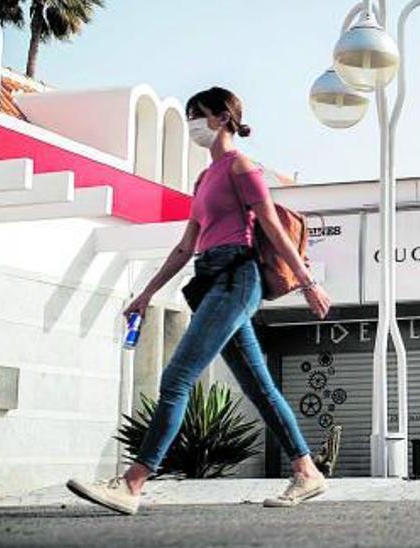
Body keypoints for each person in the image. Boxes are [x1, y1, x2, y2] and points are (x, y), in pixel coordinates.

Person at [65, 88, 333, 515]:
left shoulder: (241, 167)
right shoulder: (205, 178)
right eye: (188, 114)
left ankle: (133, 484)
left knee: (176, 378)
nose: (191, 123)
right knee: (259, 387)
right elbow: (185, 247)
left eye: (197, 114)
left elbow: (273, 229)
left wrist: (307, 282)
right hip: (210, 279)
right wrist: (146, 294)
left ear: (223, 118)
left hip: (237, 278)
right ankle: (307, 471)